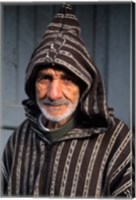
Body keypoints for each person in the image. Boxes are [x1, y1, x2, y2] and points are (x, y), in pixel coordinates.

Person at [1, 4, 132, 197]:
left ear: (84, 86)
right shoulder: (20, 137)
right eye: (45, 78)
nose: (53, 94)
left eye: (67, 79)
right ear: (32, 84)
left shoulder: (116, 139)